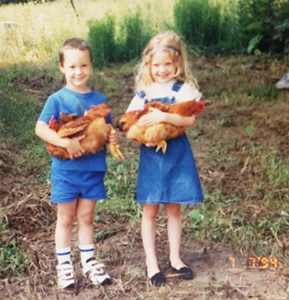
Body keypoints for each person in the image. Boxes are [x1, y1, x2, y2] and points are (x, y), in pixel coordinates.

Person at [35, 38, 118, 289]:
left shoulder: (99, 99)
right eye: (72, 67)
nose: (78, 71)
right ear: (62, 68)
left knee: (86, 217)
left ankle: (89, 261)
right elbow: (40, 128)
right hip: (66, 172)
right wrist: (66, 144)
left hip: (92, 171)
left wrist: (112, 136)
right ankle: (64, 265)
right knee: (65, 218)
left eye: (83, 65)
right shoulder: (57, 99)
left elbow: (106, 128)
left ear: (91, 66)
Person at [125, 31, 205, 286]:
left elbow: (189, 119)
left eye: (167, 64)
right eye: (156, 65)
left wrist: (164, 117)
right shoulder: (144, 92)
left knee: (174, 207)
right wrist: (142, 137)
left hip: (176, 153)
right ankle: (151, 262)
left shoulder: (183, 89)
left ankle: (175, 258)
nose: (162, 70)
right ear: (148, 65)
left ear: (177, 64)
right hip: (152, 155)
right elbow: (129, 122)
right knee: (150, 209)